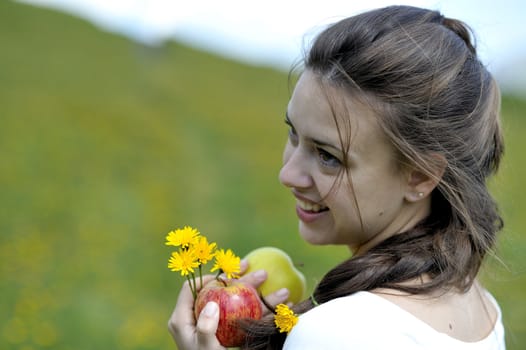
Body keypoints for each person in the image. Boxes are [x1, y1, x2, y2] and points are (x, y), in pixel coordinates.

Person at [168, 5, 506, 349]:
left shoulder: (335, 332)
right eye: (293, 134)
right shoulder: (483, 310)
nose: (287, 174)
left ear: (420, 176)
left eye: (329, 156)